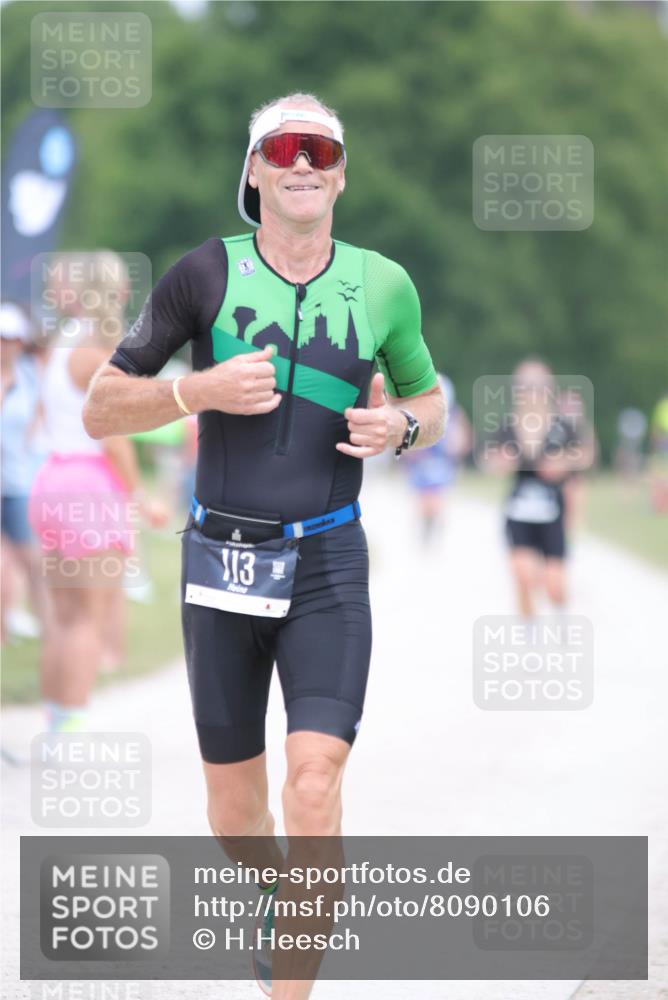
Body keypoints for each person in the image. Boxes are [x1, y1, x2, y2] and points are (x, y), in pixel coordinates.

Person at [83, 93, 445, 998]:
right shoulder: (203, 274)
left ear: (342, 173)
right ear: (253, 170)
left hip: (327, 560)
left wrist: (400, 425)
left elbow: (429, 404)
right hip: (222, 564)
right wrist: (193, 391)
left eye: (321, 149)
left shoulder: (385, 283)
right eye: (282, 148)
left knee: (313, 780)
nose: (303, 163)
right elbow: (99, 406)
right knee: (236, 815)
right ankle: (288, 900)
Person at [28, 251, 166, 732]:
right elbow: (113, 437)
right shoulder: (97, 352)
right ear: (119, 292)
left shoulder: (62, 340)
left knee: (65, 617)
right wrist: (139, 498)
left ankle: (55, 722)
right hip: (88, 486)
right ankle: (72, 728)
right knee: (89, 618)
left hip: (52, 480)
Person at [485, 359, 594, 620]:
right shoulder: (508, 425)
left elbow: (587, 455)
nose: (530, 391)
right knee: (524, 575)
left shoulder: (562, 425)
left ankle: (561, 613)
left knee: (554, 587)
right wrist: (503, 461)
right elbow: (491, 460)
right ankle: (530, 630)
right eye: (525, 386)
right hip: (520, 510)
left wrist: (563, 462)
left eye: (536, 385)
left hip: (553, 512)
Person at [0, 302, 50, 643]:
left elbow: (39, 419)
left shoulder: (32, 374)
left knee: (32, 559)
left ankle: (50, 629)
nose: (5, 344)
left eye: (11, 338)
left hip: (18, 479)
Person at [402, 373, 471, 544]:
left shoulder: (455, 414)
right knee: (424, 501)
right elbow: (405, 444)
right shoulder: (415, 414)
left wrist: (455, 447)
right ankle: (426, 528)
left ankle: (433, 530)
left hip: (442, 462)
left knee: (437, 500)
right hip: (422, 463)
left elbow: (464, 440)